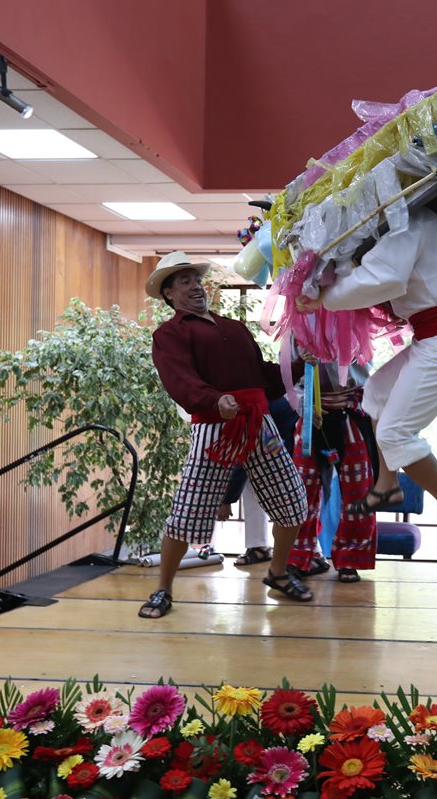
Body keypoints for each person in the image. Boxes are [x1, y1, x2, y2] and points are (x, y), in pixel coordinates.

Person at [300, 207, 437, 563]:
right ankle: (387, 485)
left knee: (394, 434)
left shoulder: (410, 224)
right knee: (375, 393)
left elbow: (383, 279)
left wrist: (325, 298)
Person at [143, 252, 312, 617]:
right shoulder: (169, 334)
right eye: (184, 281)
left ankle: (278, 573)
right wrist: (214, 399)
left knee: (293, 501)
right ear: (169, 294)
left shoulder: (233, 327)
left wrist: (298, 365)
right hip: (213, 426)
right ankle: (163, 590)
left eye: (196, 279)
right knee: (187, 511)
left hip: (258, 422)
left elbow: (263, 376)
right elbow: (179, 380)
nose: (195, 287)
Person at [286, 360, 378, 583]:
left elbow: (364, 370)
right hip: (311, 415)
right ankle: (300, 556)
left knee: (358, 491)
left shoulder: (358, 325)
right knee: (302, 490)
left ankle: (350, 558)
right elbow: (289, 376)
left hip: (351, 413)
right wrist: (305, 406)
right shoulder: (297, 327)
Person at [216, 396, 304, 568]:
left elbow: (242, 460)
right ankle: (259, 547)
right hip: (276, 438)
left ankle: (305, 552)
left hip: (292, 442)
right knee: (253, 479)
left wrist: (226, 500)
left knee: (293, 500)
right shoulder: (239, 405)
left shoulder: (245, 408)